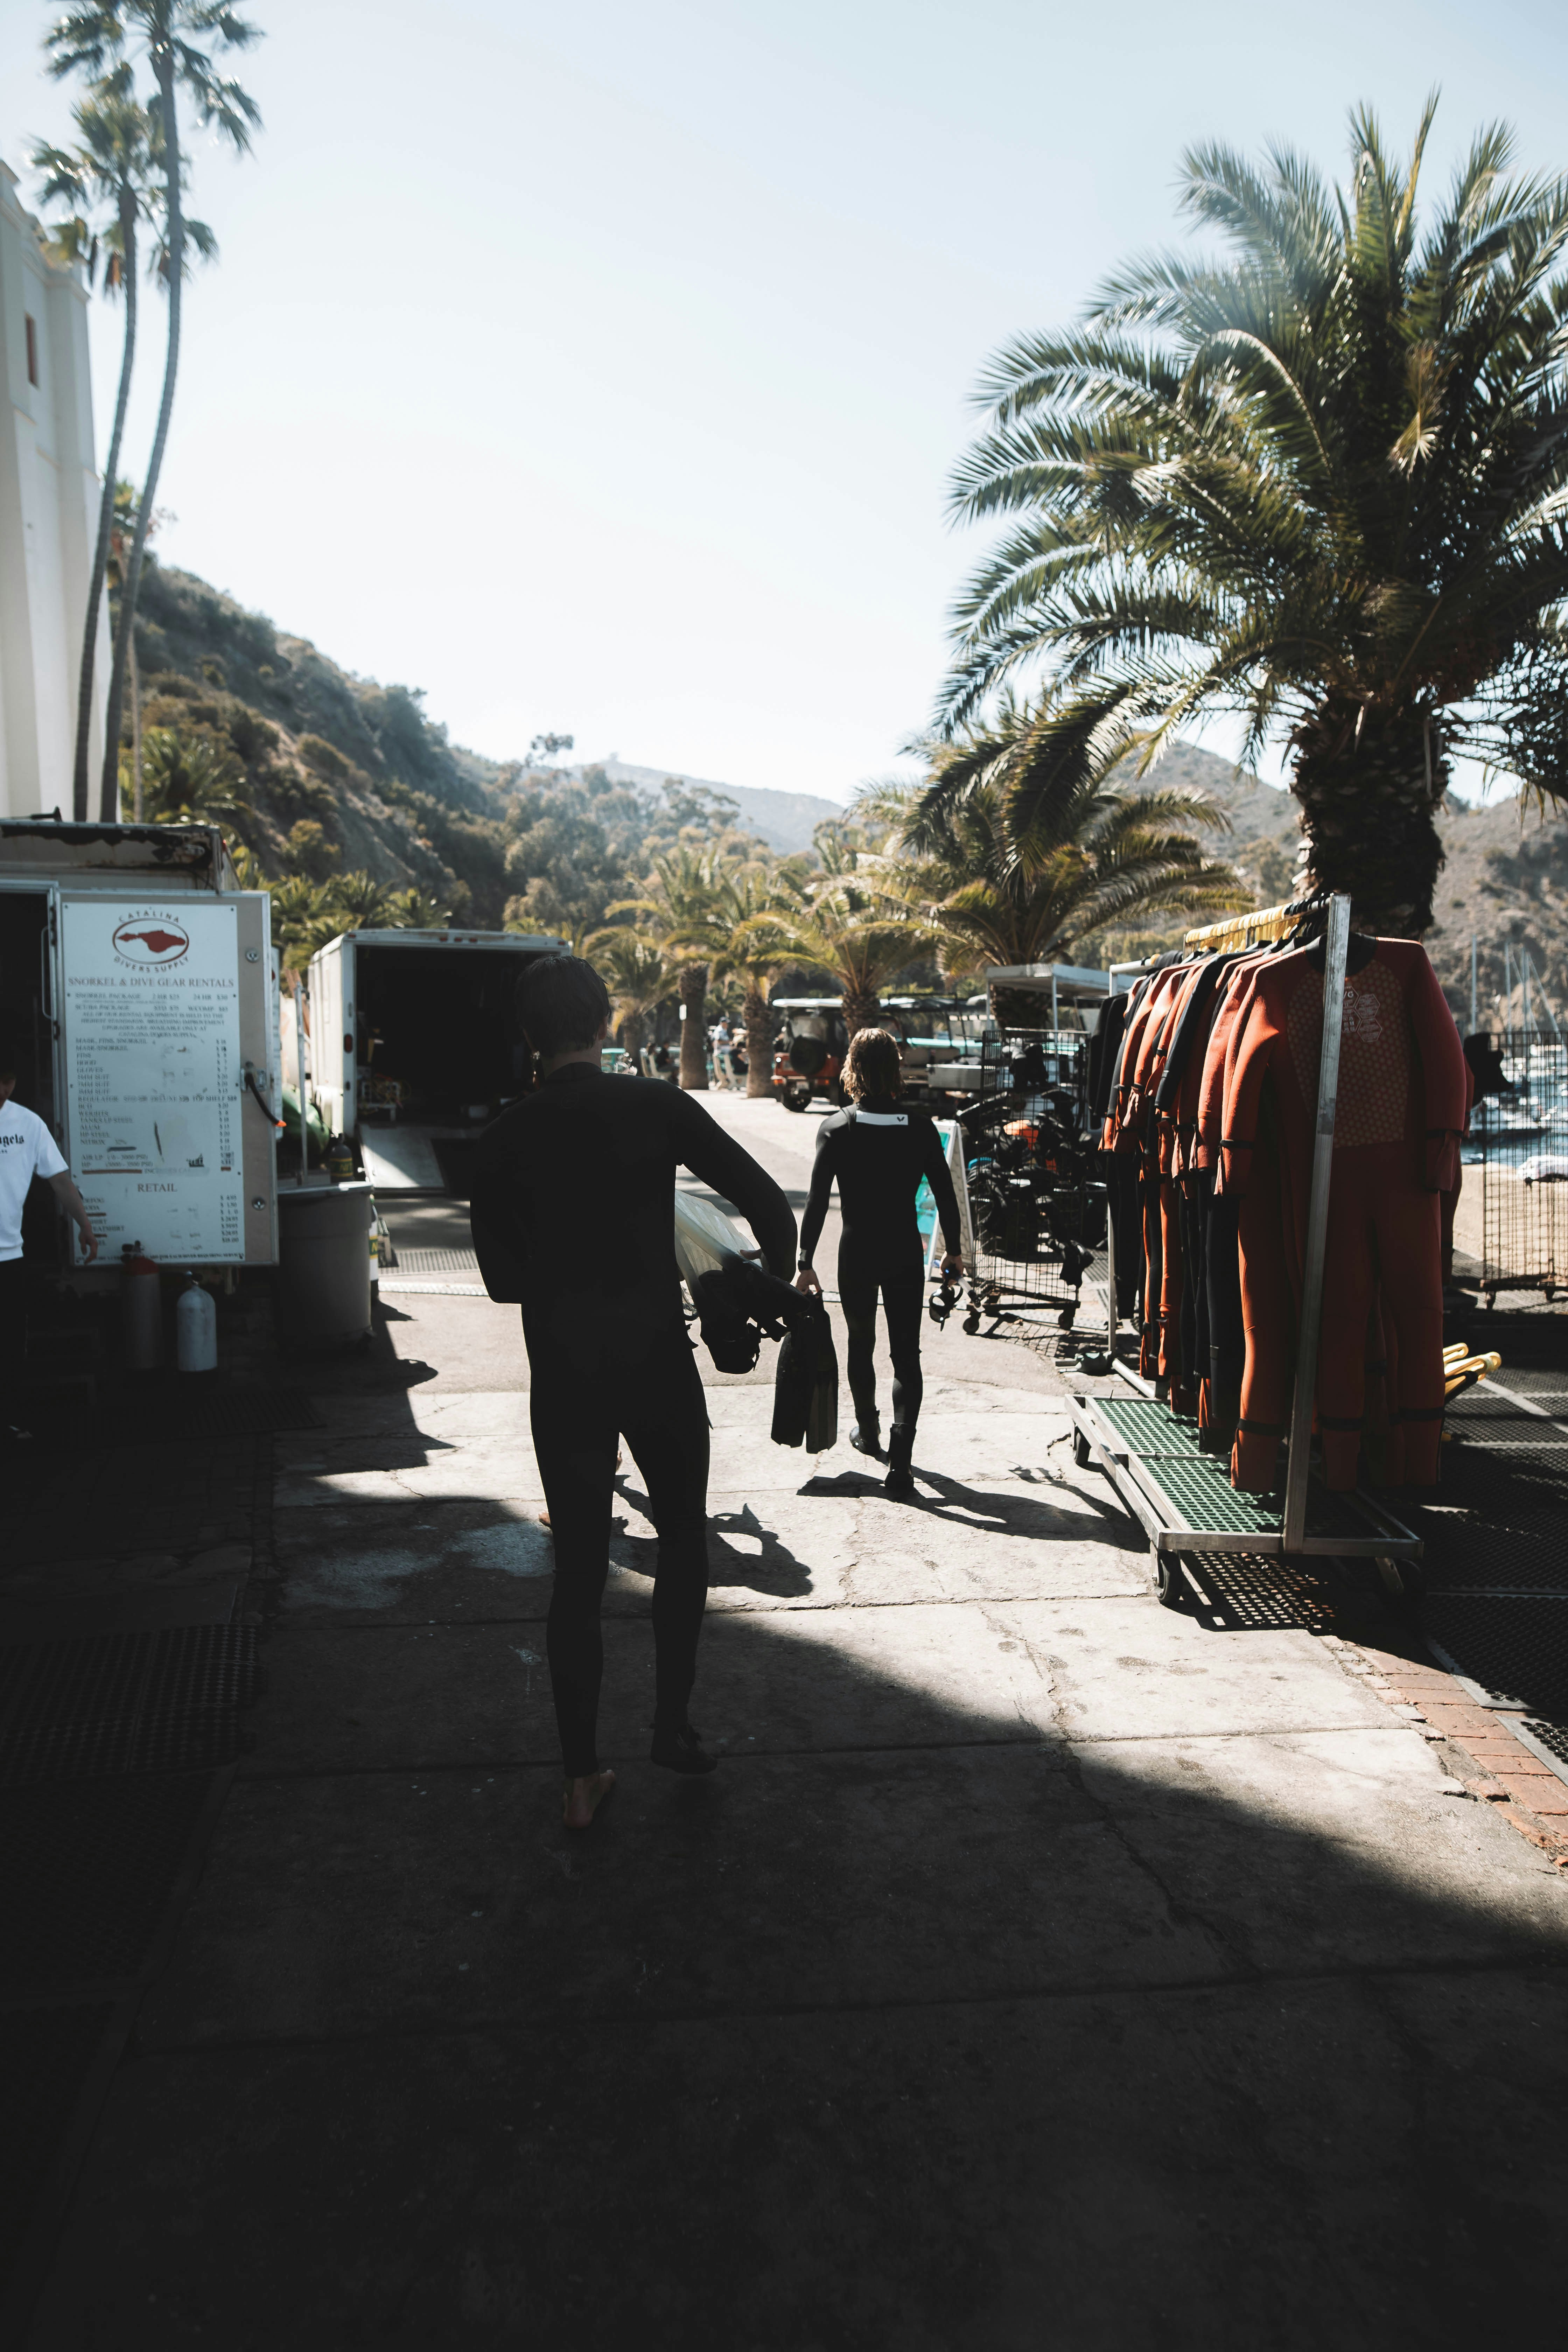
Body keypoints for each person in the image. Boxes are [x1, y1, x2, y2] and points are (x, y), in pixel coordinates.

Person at [470, 956, 794, 1832]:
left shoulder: (501, 1140)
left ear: (529, 1037)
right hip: (657, 1361)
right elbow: (770, 1206)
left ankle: (581, 1780)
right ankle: (673, 1728)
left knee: (576, 1571)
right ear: (606, 1023)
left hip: (566, 1373)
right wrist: (761, 1293)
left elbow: (503, 1285)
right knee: (684, 1540)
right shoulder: (658, 1106)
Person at [794, 1027, 962, 1498]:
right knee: (906, 1356)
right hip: (904, 1252)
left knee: (861, 1345)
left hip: (858, 1253)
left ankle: (868, 1433)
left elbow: (815, 1203)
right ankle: (901, 1465)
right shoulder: (922, 1129)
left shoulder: (836, 1128)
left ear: (853, 1069)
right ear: (896, 1069)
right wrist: (954, 1252)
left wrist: (805, 1262)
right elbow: (946, 1197)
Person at [0, 1052, 98, 1442]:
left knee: (10, 1345)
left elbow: (60, 1181)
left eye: (7, 1082)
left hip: (9, 1255)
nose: (2, 1091)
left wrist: (85, 1225)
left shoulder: (28, 1124)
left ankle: (9, 1421)